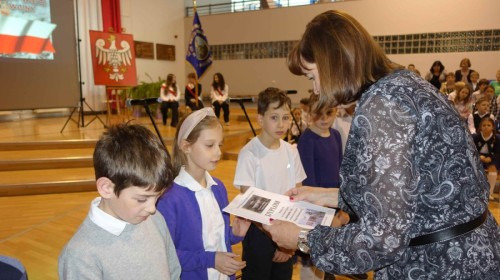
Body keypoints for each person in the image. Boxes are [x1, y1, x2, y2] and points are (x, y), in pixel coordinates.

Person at [262, 10, 500, 279]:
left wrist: (302, 238)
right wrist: (327, 195)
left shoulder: (382, 106)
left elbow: (382, 240)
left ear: (336, 64)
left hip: (438, 264)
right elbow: (411, 192)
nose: (316, 89)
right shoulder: (403, 84)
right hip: (471, 253)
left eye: (312, 76)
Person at [58, 124, 181, 279]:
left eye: (157, 197)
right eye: (142, 199)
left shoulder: (155, 220)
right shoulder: (81, 255)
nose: (152, 208)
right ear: (107, 188)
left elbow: (173, 271)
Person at [157, 108, 250, 280]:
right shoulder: (170, 198)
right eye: (209, 145)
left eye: (219, 145)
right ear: (186, 147)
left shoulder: (219, 188)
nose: (218, 152)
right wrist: (211, 260)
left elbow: (215, 238)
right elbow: (165, 254)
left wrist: (235, 233)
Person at [233, 87, 307, 280]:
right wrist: (277, 238)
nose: (281, 124)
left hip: (287, 227)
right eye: (274, 117)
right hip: (259, 233)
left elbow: (299, 195)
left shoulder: (291, 151)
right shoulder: (249, 154)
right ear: (260, 119)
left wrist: (288, 243)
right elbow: (249, 204)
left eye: (286, 117)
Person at [297, 93, 342, 280]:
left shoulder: (336, 135)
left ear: (336, 112)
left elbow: (341, 171)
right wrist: (321, 210)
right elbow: (309, 181)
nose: (324, 119)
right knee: (313, 256)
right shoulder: (307, 140)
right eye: (319, 114)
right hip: (317, 207)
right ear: (310, 113)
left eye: (329, 113)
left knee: (330, 252)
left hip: (333, 202)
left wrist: (341, 205)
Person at [472, 118, 500, 201]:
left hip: (492, 158)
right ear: (480, 127)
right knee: (473, 167)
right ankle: (474, 191)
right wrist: (479, 156)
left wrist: (490, 158)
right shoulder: (475, 137)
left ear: (493, 127)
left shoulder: (497, 138)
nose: (486, 127)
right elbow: (471, 150)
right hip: (478, 157)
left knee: (492, 169)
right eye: (484, 125)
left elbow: (498, 153)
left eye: (488, 125)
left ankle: (489, 193)